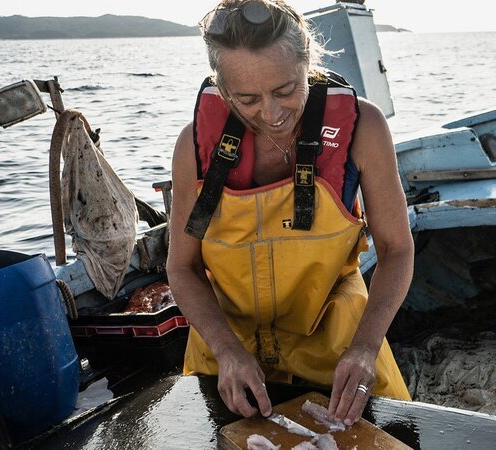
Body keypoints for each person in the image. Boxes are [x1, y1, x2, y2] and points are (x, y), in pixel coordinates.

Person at [166, 0, 413, 427]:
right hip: (228, 358)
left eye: (285, 90)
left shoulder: (363, 128)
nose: (272, 113)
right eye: (247, 98)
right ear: (222, 90)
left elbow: (396, 249)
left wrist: (366, 347)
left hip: (339, 351)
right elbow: (182, 267)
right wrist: (226, 352)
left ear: (308, 64)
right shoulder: (194, 147)